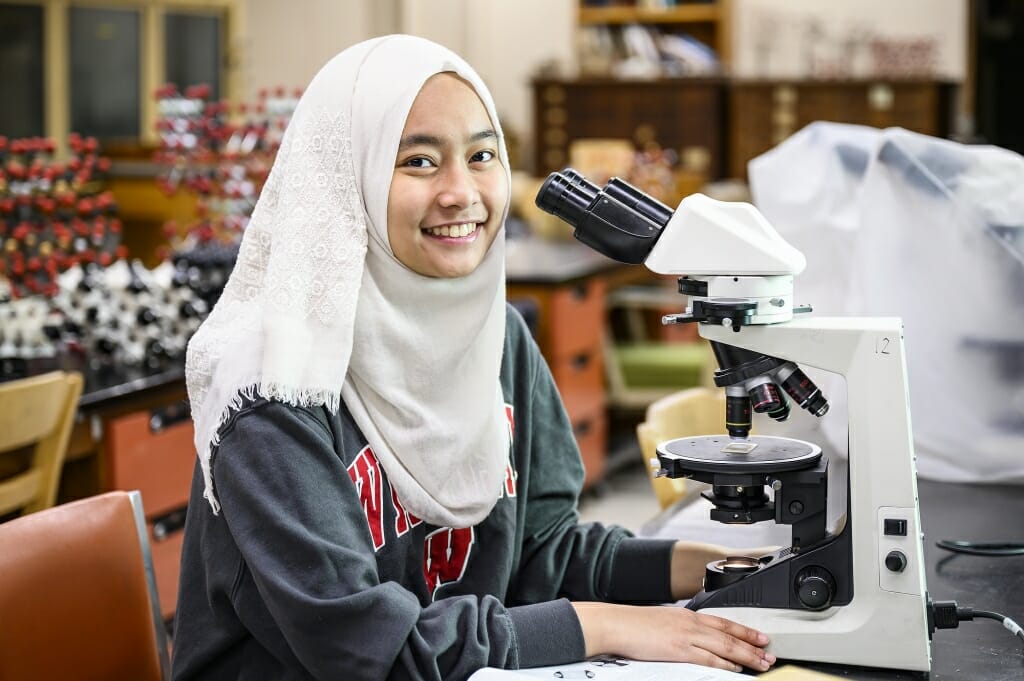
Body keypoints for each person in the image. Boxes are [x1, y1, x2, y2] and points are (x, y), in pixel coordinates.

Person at [170, 34, 777, 681]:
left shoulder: (500, 340)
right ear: (347, 179)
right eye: (420, 162)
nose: (462, 191)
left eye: (481, 154)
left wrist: (707, 564)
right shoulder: (275, 385)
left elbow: (543, 549)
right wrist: (606, 623)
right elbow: (370, 649)